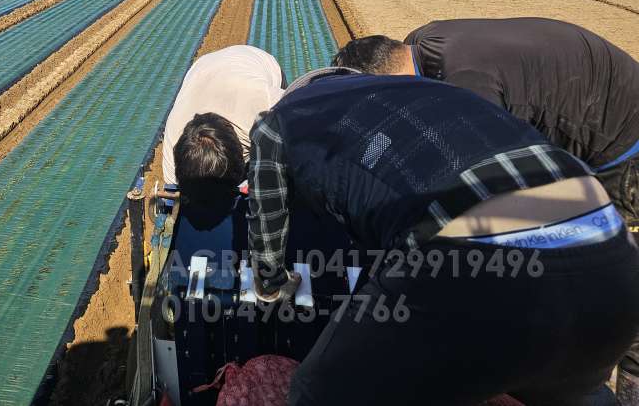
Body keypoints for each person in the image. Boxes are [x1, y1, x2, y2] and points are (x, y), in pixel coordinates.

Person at [246, 68, 639, 406]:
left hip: (480, 260)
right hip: (611, 256)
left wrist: (272, 284)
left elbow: (268, 228)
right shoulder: (423, 91)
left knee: (318, 390)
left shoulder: (281, 120)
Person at [331, 19, 639, 225]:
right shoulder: (420, 42)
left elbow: (485, 181)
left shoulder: (469, 87)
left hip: (621, 146)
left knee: (594, 253)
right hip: (594, 97)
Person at [162, 45, 284, 190]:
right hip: (202, 69)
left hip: (253, 59)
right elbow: (173, 195)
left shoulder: (266, 105)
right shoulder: (174, 151)